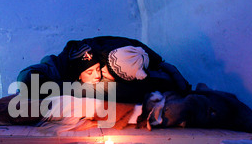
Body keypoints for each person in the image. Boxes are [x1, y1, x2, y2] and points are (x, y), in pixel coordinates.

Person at [17, 36, 191, 103]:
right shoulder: (76, 57)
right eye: (91, 72)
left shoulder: (123, 64)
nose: (99, 75)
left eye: (99, 70)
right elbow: (26, 80)